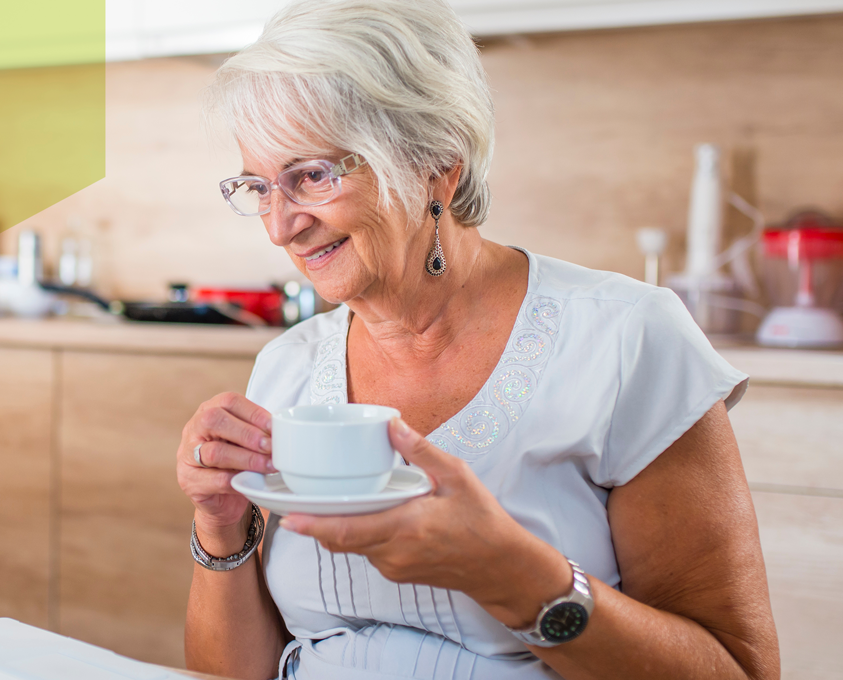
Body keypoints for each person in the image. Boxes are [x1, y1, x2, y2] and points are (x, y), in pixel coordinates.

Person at [174, 1, 779, 678]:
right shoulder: (288, 367)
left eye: (312, 176)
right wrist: (221, 526)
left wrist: (513, 575)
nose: (281, 226)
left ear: (438, 164)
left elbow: (739, 671)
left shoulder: (627, 340)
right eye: (259, 185)